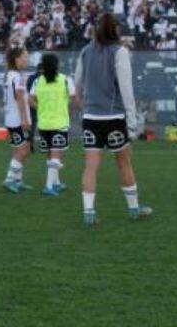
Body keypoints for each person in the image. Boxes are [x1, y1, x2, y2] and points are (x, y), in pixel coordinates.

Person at [75, 14, 152, 225]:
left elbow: (77, 85)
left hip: (91, 117)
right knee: (124, 163)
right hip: (114, 117)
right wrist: (132, 123)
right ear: (115, 30)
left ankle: (89, 213)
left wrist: (86, 108)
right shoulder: (120, 52)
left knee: (90, 166)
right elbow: (126, 89)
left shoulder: (84, 52)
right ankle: (134, 209)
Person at [29, 53, 75, 196]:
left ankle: (56, 183)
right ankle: (48, 187)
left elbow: (30, 99)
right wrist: (66, 106)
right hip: (59, 123)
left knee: (50, 155)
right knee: (56, 155)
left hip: (43, 124)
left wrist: (40, 108)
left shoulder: (38, 81)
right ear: (57, 65)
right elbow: (73, 97)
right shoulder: (65, 80)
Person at [1, 46, 33, 192]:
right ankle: (9, 180)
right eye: (25, 56)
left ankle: (17, 180)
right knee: (23, 150)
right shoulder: (17, 77)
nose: (27, 59)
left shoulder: (10, 75)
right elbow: (19, 99)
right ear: (17, 59)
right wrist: (25, 119)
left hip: (11, 118)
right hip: (17, 119)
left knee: (18, 150)